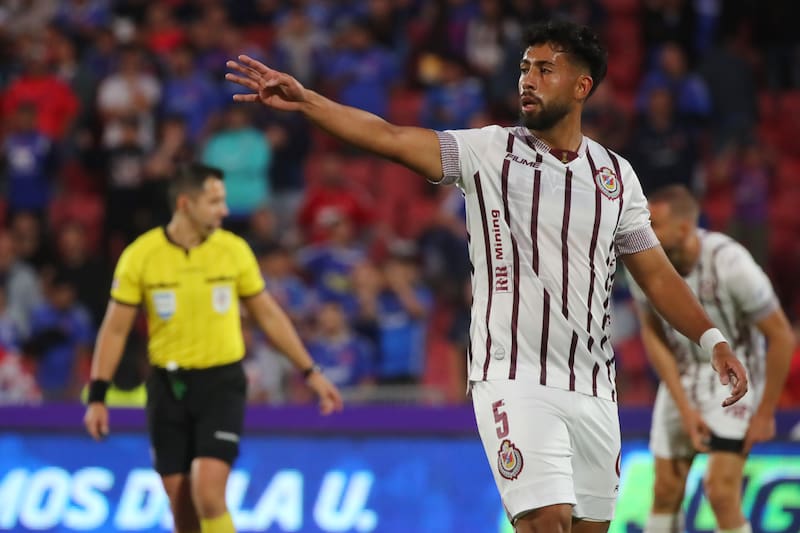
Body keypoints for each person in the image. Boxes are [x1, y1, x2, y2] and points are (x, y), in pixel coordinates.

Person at [225, 20, 748, 533]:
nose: (528, 79)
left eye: (545, 69)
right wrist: (308, 101)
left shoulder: (615, 176)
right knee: (545, 522)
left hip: (593, 386)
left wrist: (712, 339)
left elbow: (655, 275)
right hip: (513, 376)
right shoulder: (489, 152)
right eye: (524, 68)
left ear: (582, 86)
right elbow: (388, 136)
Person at [83, 163, 343, 533]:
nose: (225, 209)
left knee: (208, 491)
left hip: (220, 384)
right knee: (181, 502)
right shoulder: (141, 256)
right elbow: (115, 329)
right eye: (215, 201)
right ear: (186, 203)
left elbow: (269, 316)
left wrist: (310, 372)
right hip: (166, 387)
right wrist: (97, 396)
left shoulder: (233, 251)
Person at [628, 185, 794, 533]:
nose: (646, 231)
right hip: (683, 375)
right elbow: (653, 336)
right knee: (665, 490)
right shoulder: (641, 262)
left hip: (735, 380)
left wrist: (766, 412)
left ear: (684, 228)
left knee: (719, 492)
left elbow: (780, 335)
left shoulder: (731, 263)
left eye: (654, 224)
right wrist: (684, 408)